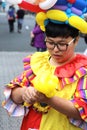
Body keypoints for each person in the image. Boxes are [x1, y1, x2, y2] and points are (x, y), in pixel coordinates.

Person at [2, 1, 87, 130]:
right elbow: (14, 91)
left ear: (75, 40)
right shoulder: (38, 62)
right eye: (50, 42)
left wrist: (48, 99)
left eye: (62, 44)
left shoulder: (82, 70)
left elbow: (82, 111)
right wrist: (25, 92)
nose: (55, 49)